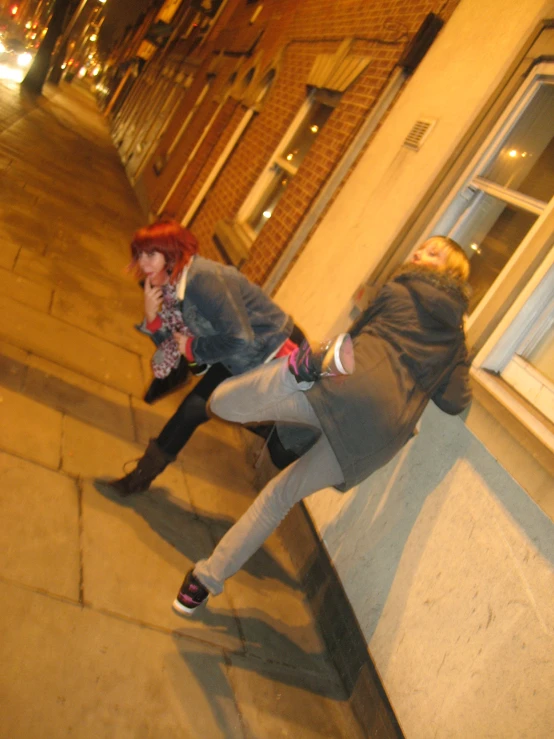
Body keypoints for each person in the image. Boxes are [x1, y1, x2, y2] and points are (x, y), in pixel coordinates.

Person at [171, 236, 473, 615]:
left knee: (222, 402)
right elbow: (455, 400)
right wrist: (460, 350)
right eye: (422, 246)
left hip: (342, 391)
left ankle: (295, 371)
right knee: (279, 499)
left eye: (432, 253)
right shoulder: (456, 341)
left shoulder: (400, 289)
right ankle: (203, 583)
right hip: (378, 436)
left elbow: (356, 336)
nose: (418, 252)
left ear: (448, 272)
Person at [98, 220, 303, 496]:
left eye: (150, 255)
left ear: (171, 254)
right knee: (191, 412)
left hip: (272, 352)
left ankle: (290, 436)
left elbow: (238, 336)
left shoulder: (203, 280)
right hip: (234, 352)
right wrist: (151, 317)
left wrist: (195, 348)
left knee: (273, 439)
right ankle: (139, 479)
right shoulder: (172, 289)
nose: (142, 263)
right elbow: (173, 350)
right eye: (139, 255)